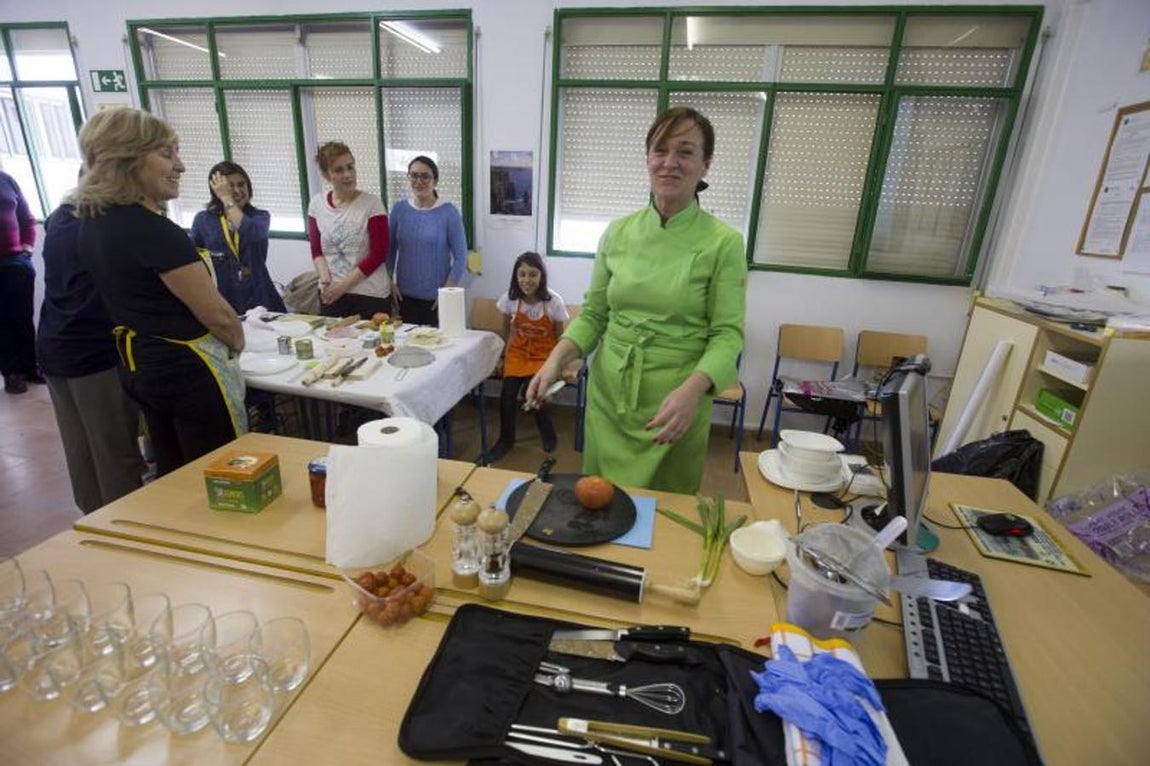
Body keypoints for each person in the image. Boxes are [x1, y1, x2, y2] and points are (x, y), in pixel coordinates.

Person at [526, 107, 747, 494]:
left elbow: (727, 336)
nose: (669, 162)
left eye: (685, 151)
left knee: (664, 512)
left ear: (706, 164)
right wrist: (555, 360)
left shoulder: (723, 243)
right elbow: (594, 315)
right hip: (610, 395)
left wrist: (691, 393)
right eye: (660, 150)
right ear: (647, 158)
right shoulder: (617, 233)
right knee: (600, 500)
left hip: (676, 404)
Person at [73, 108, 247, 477]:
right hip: (188, 373)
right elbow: (219, 316)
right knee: (222, 473)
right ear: (127, 160)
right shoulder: (153, 230)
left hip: (141, 365)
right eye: (167, 154)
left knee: (174, 472)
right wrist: (237, 342)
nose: (180, 166)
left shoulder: (93, 222)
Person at [36, 198, 147, 512]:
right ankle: (122, 525)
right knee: (113, 449)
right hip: (94, 351)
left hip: (55, 344)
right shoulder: (106, 225)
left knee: (80, 446)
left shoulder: (60, 217)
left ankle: (91, 520)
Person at [483, 252, 569, 463]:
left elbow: (560, 337)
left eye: (533, 274)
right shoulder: (510, 299)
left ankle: (547, 432)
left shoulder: (554, 302)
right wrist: (502, 356)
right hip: (518, 352)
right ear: (516, 276)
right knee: (507, 396)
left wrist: (558, 365)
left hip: (543, 355)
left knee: (534, 394)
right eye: (522, 274)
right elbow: (506, 329)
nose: (526, 280)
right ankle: (505, 440)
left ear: (541, 276)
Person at [307, 142, 390, 318]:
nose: (347, 174)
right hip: (332, 295)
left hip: (369, 295)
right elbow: (316, 250)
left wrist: (341, 287)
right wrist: (325, 280)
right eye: (339, 170)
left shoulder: (372, 204)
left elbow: (378, 255)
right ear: (326, 174)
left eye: (350, 167)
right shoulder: (316, 205)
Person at [190, 161, 285, 314]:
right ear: (216, 190)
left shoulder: (260, 217)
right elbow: (193, 259)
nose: (237, 190)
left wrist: (227, 200)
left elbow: (253, 233)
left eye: (241, 185)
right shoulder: (203, 220)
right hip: (223, 298)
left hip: (259, 295)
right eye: (229, 187)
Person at [387, 155, 467, 326]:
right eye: (414, 175)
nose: (419, 181)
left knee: (436, 342)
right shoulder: (399, 210)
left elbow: (461, 257)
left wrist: (447, 292)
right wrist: (389, 282)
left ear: (435, 181)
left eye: (425, 176)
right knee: (407, 341)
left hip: (436, 299)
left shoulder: (449, 212)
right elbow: (390, 251)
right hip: (404, 297)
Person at [0, 170, 40, 394]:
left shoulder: (6, 180)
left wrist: (27, 249)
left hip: (17, 261)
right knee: (2, 321)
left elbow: (27, 218)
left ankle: (31, 366)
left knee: (23, 317)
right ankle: (12, 373)